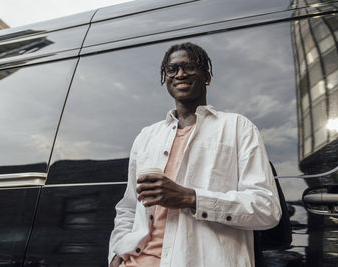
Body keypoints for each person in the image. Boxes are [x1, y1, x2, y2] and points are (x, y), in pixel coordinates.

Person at [109, 42, 281, 267]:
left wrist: (191, 198)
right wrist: (116, 255)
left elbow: (266, 208)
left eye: (189, 67)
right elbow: (128, 207)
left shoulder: (238, 128)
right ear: (165, 79)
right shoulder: (146, 137)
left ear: (207, 76)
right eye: (171, 69)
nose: (180, 74)